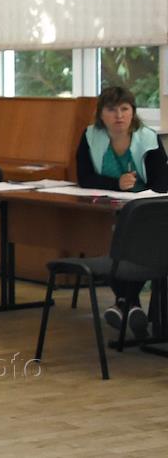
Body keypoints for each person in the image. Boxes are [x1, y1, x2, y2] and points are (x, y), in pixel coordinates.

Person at [75, 85, 168, 339]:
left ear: (133, 112)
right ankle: (130, 304)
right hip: (108, 207)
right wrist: (116, 184)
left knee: (131, 243)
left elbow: (162, 182)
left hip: (145, 211)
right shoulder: (90, 136)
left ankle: (124, 303)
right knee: (112, 241)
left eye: (125, 109)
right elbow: (84, 177)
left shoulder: (147, 138)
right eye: (112, 110)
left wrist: (138, 193)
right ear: (101, 114)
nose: (119, 115)